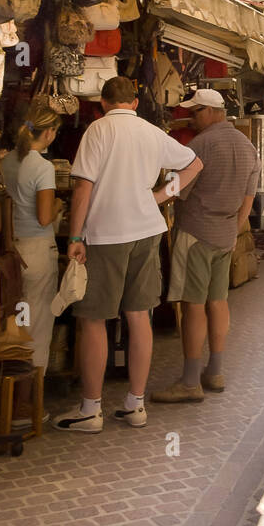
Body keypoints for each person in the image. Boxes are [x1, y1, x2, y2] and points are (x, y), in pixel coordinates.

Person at [53, 76, 202, 433]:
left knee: (93, 319)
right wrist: (161, 197)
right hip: (147, 231)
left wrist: (74, 236)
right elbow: (195, 164)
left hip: (106, 234)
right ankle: (135, 404)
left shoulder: (98, 131)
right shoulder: (151, 132)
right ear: (134, 103)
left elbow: (82, 189)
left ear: (102, 103)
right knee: (139, 316)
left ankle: (91, 410)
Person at [152, 89, 260, 404]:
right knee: (217, 302)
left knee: (192, 305)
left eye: (196, 112)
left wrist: (149, 200)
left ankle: (189, 381)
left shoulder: (201, 145)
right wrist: (232, 228)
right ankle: (215, 371)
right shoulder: (247, 146)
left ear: (211, 111)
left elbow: (176, 187)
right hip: (225, 233)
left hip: (196, 231)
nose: (193, 119)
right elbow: (248, 201)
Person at [0, 101, 65, 371]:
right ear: (48, 132)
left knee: (16, 321)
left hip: (11, 251)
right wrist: (59, 205)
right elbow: (43, 216)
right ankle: (29, 400)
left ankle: (12, 395)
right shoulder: (42, 168)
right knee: (37, 324)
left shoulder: (5, 161)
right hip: (37, 252)